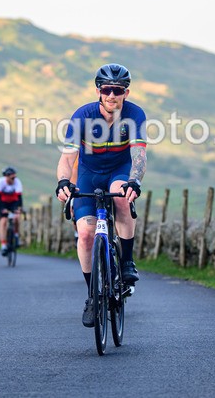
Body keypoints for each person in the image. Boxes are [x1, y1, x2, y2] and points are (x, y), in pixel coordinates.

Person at [55, 63, 147, 328]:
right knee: (85, 235)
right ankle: (92, 296)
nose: (112, 95)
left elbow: (139, 155)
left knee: (121, 196)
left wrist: (135, 181)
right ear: (98, 90)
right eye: (107, 89)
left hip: (119, 170)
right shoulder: (82, 116)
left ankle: (127, 261)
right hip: (88, 173)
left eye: (118, 90)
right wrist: (63, 181)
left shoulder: (135, 115)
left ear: (126, 93)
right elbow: (67, 157)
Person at [0, 166, 23, 255]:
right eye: (12, 178)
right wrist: (3, 209)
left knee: (16, 218)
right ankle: (3, 245)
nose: (14, 179)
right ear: (6, 177)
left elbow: (19, 198)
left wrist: (18, 209)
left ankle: (16, 235)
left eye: (15, 177)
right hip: (3, 203)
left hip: (14, 202)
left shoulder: (17, 182)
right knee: (3, 222)